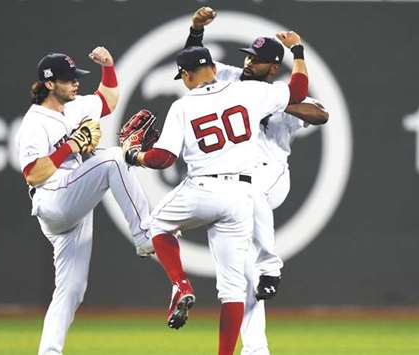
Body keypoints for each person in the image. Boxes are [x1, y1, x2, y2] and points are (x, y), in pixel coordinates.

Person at [123, 46, 307, 355]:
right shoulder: (248, 91)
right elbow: (298, 90)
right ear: (211, 66)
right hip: (241, 197)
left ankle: (180, 284)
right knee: (233, 289)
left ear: (186, 74)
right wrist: (298, 53)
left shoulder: (183, 106)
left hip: (203, 188)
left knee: (155, 226)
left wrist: (134, 155)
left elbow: (163, 159)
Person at [184, 7, 329, 355]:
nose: (250, 63)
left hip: (271, 173)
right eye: (249, 57)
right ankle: (256, 347)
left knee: (247, 196)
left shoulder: (279, 92)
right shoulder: (232, 78)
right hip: (234, 174)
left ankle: (270, 265)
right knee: (239, 266)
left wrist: (277, 103)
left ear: (273, 68)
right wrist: (197, 31)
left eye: (258, 60)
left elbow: (321, 114)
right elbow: (195, 65)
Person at [16, 48, 154, 355]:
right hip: (52, 197)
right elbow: (33, 175)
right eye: (68, 80)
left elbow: (108, 100)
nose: (75, 84)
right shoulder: (34, 122)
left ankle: (48, 352)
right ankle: (145, 235)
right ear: (49, 84)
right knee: (113, 159)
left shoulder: (77, 106)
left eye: (76, 78)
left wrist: (108, 67)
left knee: (71, 291)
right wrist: (71, 146)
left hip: (74, 205)